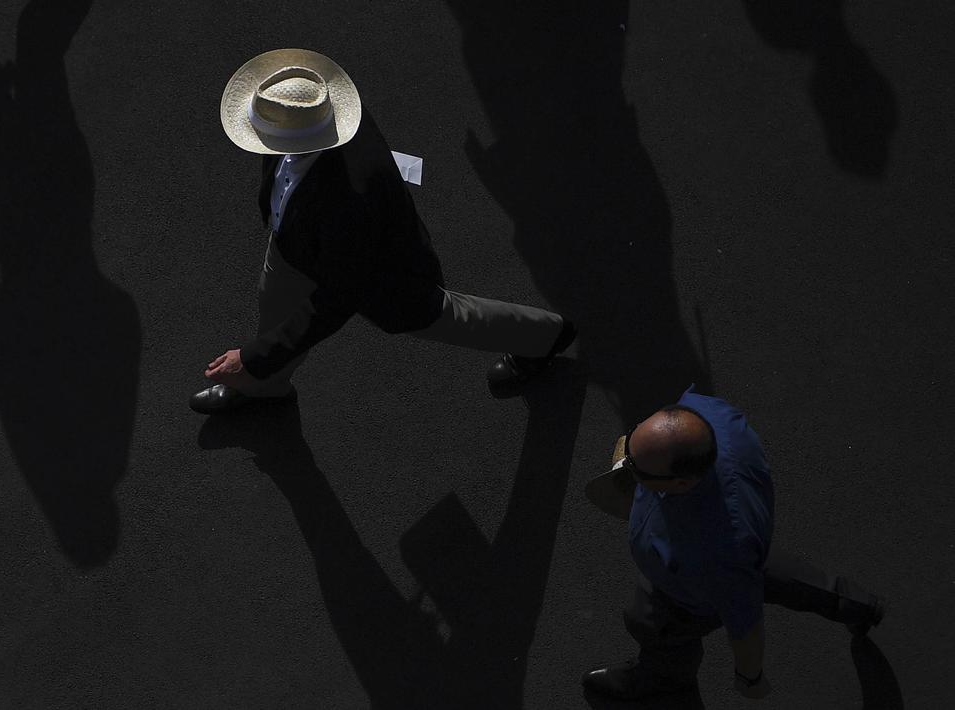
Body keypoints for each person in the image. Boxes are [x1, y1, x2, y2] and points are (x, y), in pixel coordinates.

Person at [190, 48, 574, 414]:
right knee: (274, 299)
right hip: (298, 243)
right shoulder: (319, 115)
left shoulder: (351, 200)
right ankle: (266, 385)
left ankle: (545, 336)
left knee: (447, 318)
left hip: (379, 274)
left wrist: (255, 357)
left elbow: (337, 297)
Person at [582, 386, 886, 700]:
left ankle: (661, 683)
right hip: (735, 550)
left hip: (683, 593)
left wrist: (749, 677)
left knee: (657, 631)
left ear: (681, 483)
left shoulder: (712, 552)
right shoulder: (707, 413)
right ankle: (858, 606)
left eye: (635, 470)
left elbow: (746, 626)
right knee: (767, 572)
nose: (623, 467)